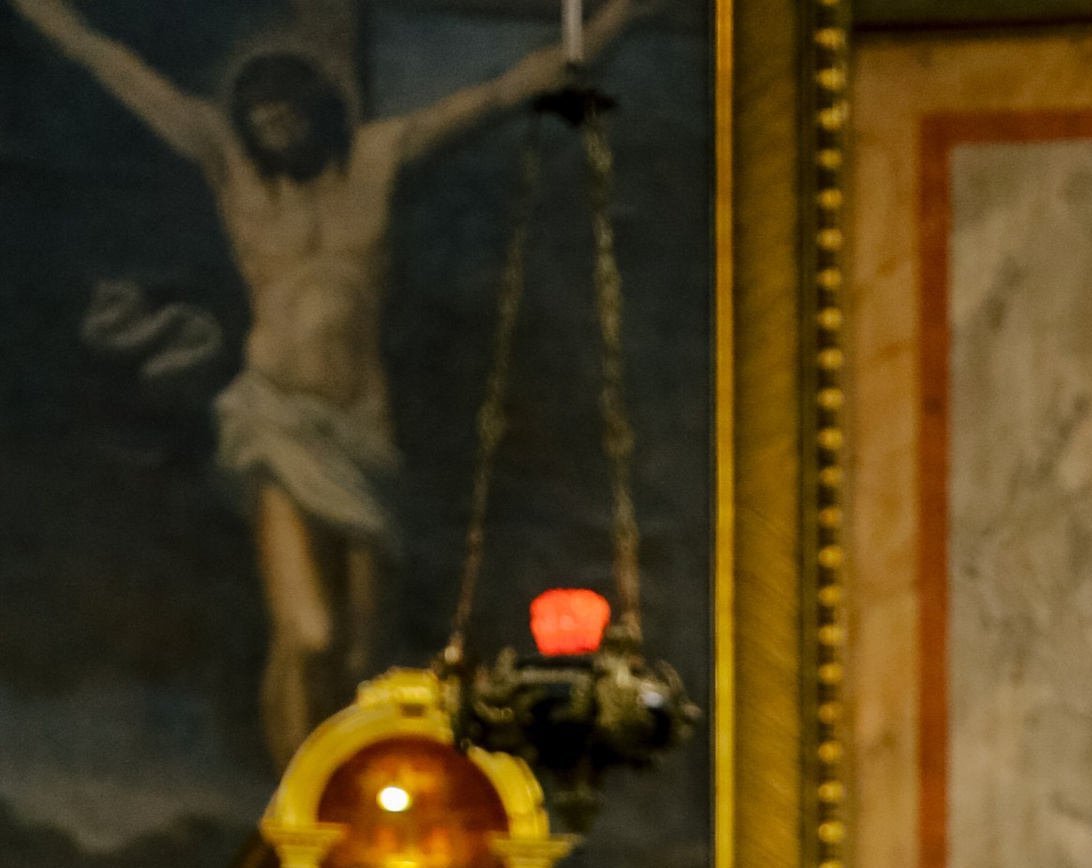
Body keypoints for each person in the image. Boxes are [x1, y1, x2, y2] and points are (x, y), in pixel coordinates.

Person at [9, 0, 633, 767]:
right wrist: (49, 18)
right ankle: (295, 825)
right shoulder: (229, 165)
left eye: (285, 106)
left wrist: (614, 22)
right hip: (275, 419)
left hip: (364, 427)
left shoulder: (375, 159)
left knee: (362, 654)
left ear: (316, 108)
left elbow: (505, 93)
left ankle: (337, 817)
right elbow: (117, 70)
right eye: (258, 110)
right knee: (307, 632)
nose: (271, 122)